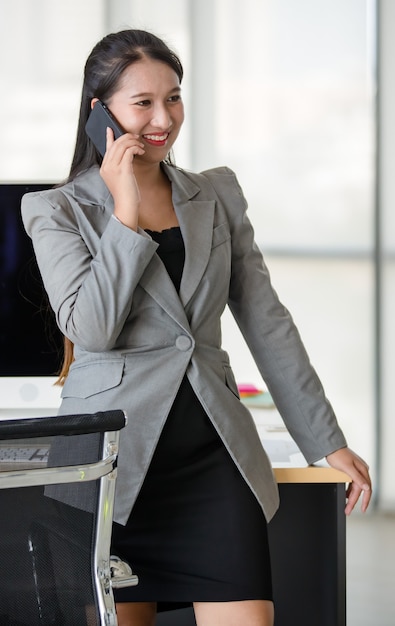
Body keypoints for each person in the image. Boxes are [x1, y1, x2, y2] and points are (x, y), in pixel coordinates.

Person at [21, 29, 371, 626]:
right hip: (114, 467)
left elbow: (266, 319)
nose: (164, 119)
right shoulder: (55, 210)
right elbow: (94, 329)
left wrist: (325, 439)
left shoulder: (215, 193)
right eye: (143, 103)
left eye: (174, 98)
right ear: (98, 113)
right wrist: (125, 213)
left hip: (213, 457)